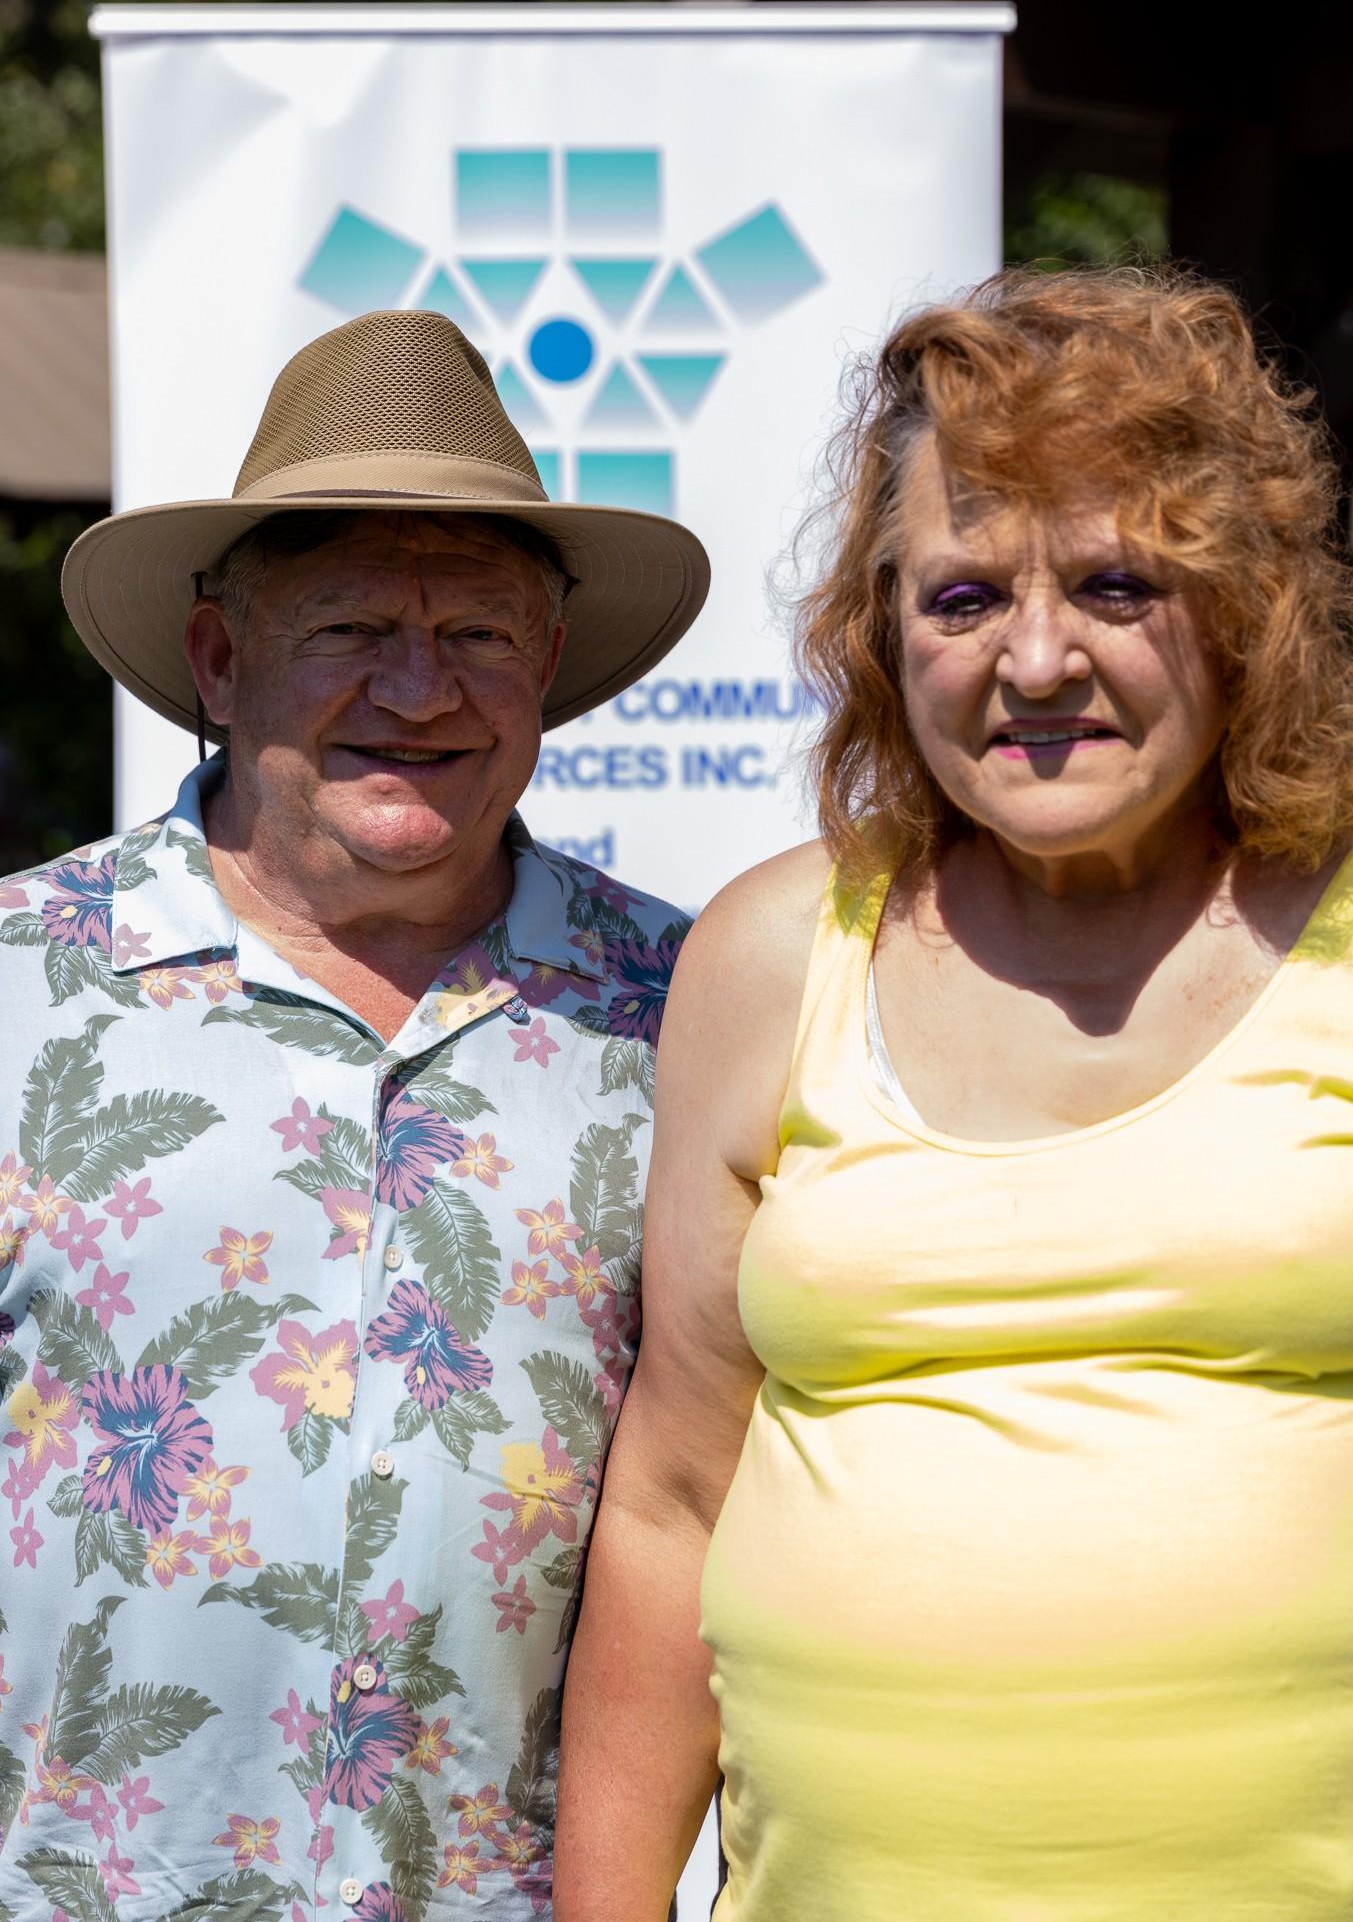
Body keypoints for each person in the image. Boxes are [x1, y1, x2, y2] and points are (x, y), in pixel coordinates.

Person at [555, 265, 1353, 1921]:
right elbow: (671, 1502)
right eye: (964, 597)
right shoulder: (774, 954)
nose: (1036, 659)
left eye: (1117, 583)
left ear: (1242, 606)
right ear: (879, 630)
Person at [0, 308, 707, 1921]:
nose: (417, 687)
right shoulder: (20, 986)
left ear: (546, 665)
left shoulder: (683, 1011)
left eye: (475, 631)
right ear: (220, 661)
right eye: (348, 630)